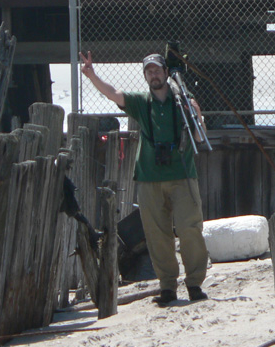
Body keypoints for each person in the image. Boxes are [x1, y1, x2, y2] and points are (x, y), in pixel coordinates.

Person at [79, 50, 209, 306]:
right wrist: (91, 74)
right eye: (148, 71)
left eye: (157, 70)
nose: (153, 74)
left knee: (189, 228)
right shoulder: (141, 102)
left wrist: (197, 114)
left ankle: (194, 284)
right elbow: (113, 93)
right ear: (145, 76)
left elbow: (198, 136)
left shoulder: (183, 100)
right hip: (149, 177)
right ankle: (167, 287)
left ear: (165, 72)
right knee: (157, 234)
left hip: (183, 175)